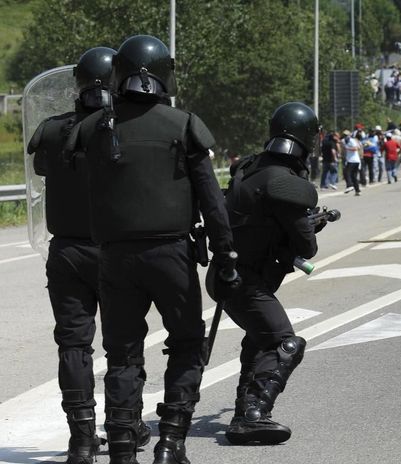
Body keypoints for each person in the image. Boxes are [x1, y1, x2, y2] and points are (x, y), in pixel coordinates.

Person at [67, 35, 238, 464]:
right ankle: (171, 441)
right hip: (171, 254)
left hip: (115, 257)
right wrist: (226, 252)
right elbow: (211, 199)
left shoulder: (92, 129)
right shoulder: (182, 124)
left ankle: (122, 448)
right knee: (185, 344)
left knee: (122, 354)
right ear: (164, 75)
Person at [27, 47, 150, 464]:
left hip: (65, 251)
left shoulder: (51, 130)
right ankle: (125, 429)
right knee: (125, 347)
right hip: (115, 251)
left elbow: (43, 168)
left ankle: (81, 440)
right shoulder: (124, 129)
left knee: (73, 347)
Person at [221, 102, 320, 445]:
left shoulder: (249, 167)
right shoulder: (287, 183)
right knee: (285, 343)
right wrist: (306, 223)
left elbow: (255, 223)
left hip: (227, 274)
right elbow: (306, 248)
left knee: (260, 337)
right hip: (245, 282)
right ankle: (253, 414)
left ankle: (241, 413)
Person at [342, 130, 362, 195]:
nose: (345, 136)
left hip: (352, 160)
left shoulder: (351, 140)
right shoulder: (345, 140)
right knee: (353, 176)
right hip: (353, 160)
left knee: (347, 173)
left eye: (346, 135)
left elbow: (356, 148)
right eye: (344, 135)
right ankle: (357, 190)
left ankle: (350, 185)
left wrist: (347, 148)